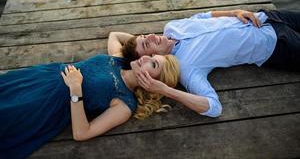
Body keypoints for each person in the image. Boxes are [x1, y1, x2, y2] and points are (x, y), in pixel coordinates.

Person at [108, 9, 300, 118]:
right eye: (147, 46)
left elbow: (204, 17)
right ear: (153, 59)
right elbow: (214, 108)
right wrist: (165, 90)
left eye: (145, 36)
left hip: (265, 17)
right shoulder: (187, 68)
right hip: (275, 45)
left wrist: (235, 12)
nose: (151, 36)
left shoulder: (171, 27)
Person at [0, 53, 180, 159]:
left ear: (154, 83)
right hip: (40, 77)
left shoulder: (124, 104)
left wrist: (76, 89)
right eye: (152, 55)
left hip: (45, 102)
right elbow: (116, 36)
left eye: (153, 63)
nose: (146, 57)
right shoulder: (117, 60)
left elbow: (82, 133)